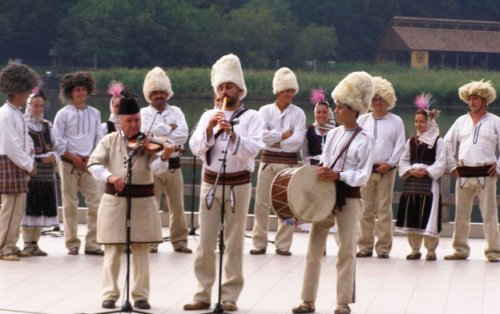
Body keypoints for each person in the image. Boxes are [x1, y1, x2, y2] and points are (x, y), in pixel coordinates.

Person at [184, 53, 264, 312]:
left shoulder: (252, 117)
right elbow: (194, 148)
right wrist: (209, 129)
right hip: (210, 184)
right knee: (205, 241)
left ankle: (229, 295)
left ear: (240, 90)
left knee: (234, 241)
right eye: (220, 87)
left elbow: (253, 149)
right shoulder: (210, 113)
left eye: (229, 86)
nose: (224, 91)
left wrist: (232, 133)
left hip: (238, 185)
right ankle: (202, 294)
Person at [292, 71, 374, 314]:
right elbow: (325, 162)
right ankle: (307, 300)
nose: (334, 111)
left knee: (346, 250)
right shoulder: (334, 134)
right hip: (325, 197)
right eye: (336, 107)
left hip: (349, 197)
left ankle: (342, 302)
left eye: (339, 107)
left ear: (352, 109)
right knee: (314, 248)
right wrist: (323, 174)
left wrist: (339, 175)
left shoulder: (365, 138)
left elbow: (363, 175)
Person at [88, 96, 175, 310]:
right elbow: (93, 164)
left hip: (143, 201)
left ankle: (140, 295)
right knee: (112, 249)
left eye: (137, 120)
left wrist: (164, 157)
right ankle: (109, 294)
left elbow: (156, 169)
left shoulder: (149, 142)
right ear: (119, 121)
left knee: (142, 249)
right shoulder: (109, 140)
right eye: (130, 121)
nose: (135, 125)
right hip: (115, 201)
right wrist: (110, 177)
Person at [250, 67, 306, 256]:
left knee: (287, 204)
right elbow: (259, 136)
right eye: (286, 90)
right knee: (261, 204)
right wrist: (283, 135)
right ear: (278, 91)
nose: (289, 94)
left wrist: (274, 140)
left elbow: (297, 142)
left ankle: (283, 245)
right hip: (266, 162)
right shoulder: (264, 111)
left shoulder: (299, 113)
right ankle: (259, 243)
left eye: (292, 90)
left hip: (289, 164)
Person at [444, 80, 500, 263]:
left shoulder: (495, 122)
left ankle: (494, 251)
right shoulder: (461, 121)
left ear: (484, 100)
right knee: (461, 215)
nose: (472, 102)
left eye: (476, 98)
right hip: (463, 173)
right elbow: (446, 144)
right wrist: (452, 165)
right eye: (470, 99)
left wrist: (498, 165)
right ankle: (460, 250)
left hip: (487, 174)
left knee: (490, 216)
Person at [140, 66, 191, 254]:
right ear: (149, 94)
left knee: (177, 207)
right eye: (155, 92)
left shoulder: (177, 111)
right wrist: (168, 128)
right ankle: (151, 240)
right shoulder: (143, 113)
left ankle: (180, 242)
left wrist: (159, 135)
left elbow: (183, 135)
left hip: (173, 167)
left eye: (162, 91)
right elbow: (146, 136)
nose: (159, 95)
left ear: (167, 93)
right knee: (151, 205)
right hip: (152, 165)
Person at [53, 71, 104, 256]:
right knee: (70, 204)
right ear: (70, 93)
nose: (81, 93)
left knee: (96, 202)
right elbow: (57, 141)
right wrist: (74, 158)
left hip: (89, 163)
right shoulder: (63, 114)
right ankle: (72, 243)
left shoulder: (95, 113)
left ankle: (92, 244)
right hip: (68, 163)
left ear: (88, 90)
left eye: (83, 89)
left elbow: (100, 138)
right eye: (77, 90)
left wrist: (90, 158)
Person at [356, 76, 405, 259]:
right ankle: (364, 246)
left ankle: (383, 248)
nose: (377, 102)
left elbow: (400, 145)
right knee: (365, 209)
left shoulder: (396, 121)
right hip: (366, 171)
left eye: (381, 99)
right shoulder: (362, 120)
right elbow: (357, 144)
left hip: (387, 171)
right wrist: (362, 165)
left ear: (388, 100)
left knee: (384, 209)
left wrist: (390, 163)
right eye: (374, 98)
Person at [396, 95, 446, 261]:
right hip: (412, 183)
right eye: (416, 121)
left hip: (428, 185)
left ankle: (431, 250)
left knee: (429, 215)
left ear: (429, 122)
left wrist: (425, 171)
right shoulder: (411, 141)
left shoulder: (439, 142)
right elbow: (403, 160)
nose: (418, 125)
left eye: (422, 122)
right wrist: (411, 171)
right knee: (412, 214)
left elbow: (441, 162)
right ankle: (415, 249)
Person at [0, 63, 39, 261]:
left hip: (19, 162)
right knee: (11, 207)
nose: (27, 94)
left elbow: (25, 140)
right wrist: (28, 163)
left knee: (17, 208)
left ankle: (11, 244)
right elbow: (10, 145)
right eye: (26, 91)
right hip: (11, 162)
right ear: (18, 91)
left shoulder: (16, 112)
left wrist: (29, 157)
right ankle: (4, 247)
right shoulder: (5, 114)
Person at [21, 88, 62, 256]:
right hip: (32, 172)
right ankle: (27, 242)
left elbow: (59, 145)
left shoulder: (47, 126)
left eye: (41, 106)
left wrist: (53, 155)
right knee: (29, 206)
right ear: (28, 106)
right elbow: (24, 149)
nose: (38, 109)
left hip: (46, 173)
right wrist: (37, 159)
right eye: (35, 106)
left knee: (41, 206)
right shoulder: (23, 125)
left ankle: (35, 242)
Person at [301, 89, 336, 166]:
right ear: (315, 114)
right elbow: (304, 154)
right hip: (311, 169)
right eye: (318, 112)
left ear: (329, 114)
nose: (321, 115)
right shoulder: (308, 131)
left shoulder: (335, 132)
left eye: (324, 112)